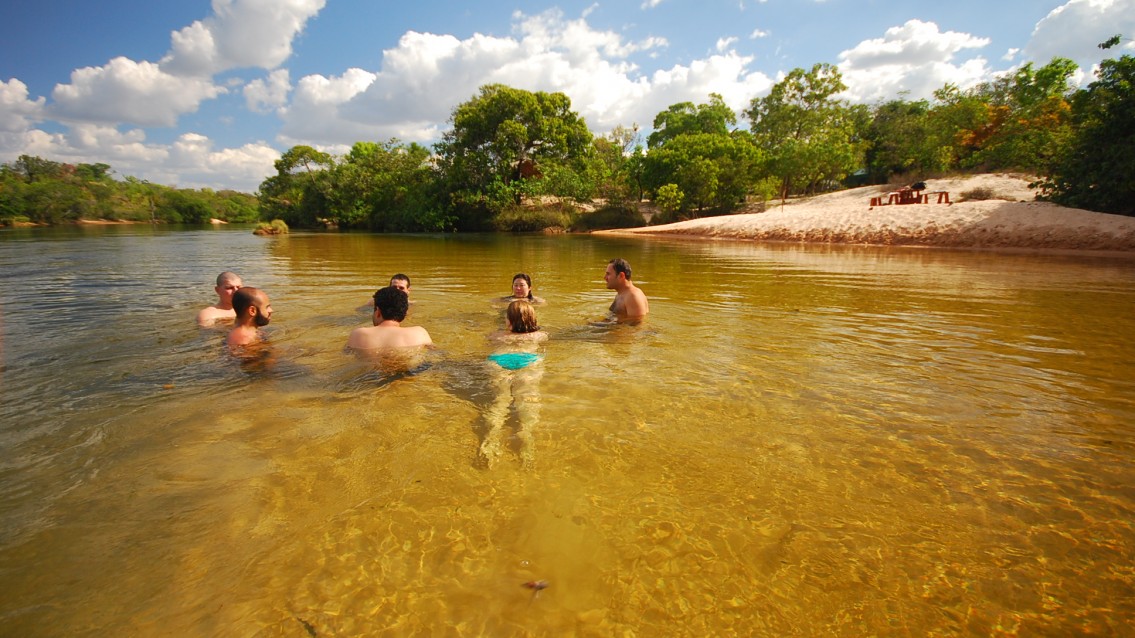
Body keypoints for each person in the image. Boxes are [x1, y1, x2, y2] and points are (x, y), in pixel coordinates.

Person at [481, 300, 547, 467]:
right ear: (532, 318)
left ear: (509, 320)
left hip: (498, 360)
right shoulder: (541, 335)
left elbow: (486, 347)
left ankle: (491, 438)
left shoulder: (494, 335)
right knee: (528, 400)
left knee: (499, 402)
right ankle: (527, 438)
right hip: (528, 360)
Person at [348, 286, 432, 350]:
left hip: (371, 372)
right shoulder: (419, 333)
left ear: (378, 312)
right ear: (405, 313)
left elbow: (346, 354)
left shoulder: (358, 334)